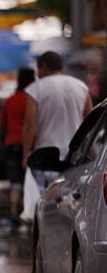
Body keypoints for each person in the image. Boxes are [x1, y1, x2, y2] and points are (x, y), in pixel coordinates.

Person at [23, 50, 93, 189]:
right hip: (74, 158)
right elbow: (90, 121)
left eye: (39, 69)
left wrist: (25, 155)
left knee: (46, 203)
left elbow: (30, 125)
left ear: (44, 66)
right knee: (71, 204)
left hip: (46, 159)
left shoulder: (36, 89)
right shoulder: (81, 86)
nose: (38, 73)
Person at [0, 67, 36, 230]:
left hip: (12, 143)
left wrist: (4, 141)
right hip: (32, 145)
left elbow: (2, 125)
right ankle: (29, 211)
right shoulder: (33, 100)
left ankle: (14, 211)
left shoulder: (10, 100)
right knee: (31, 179)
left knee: (15, 180)